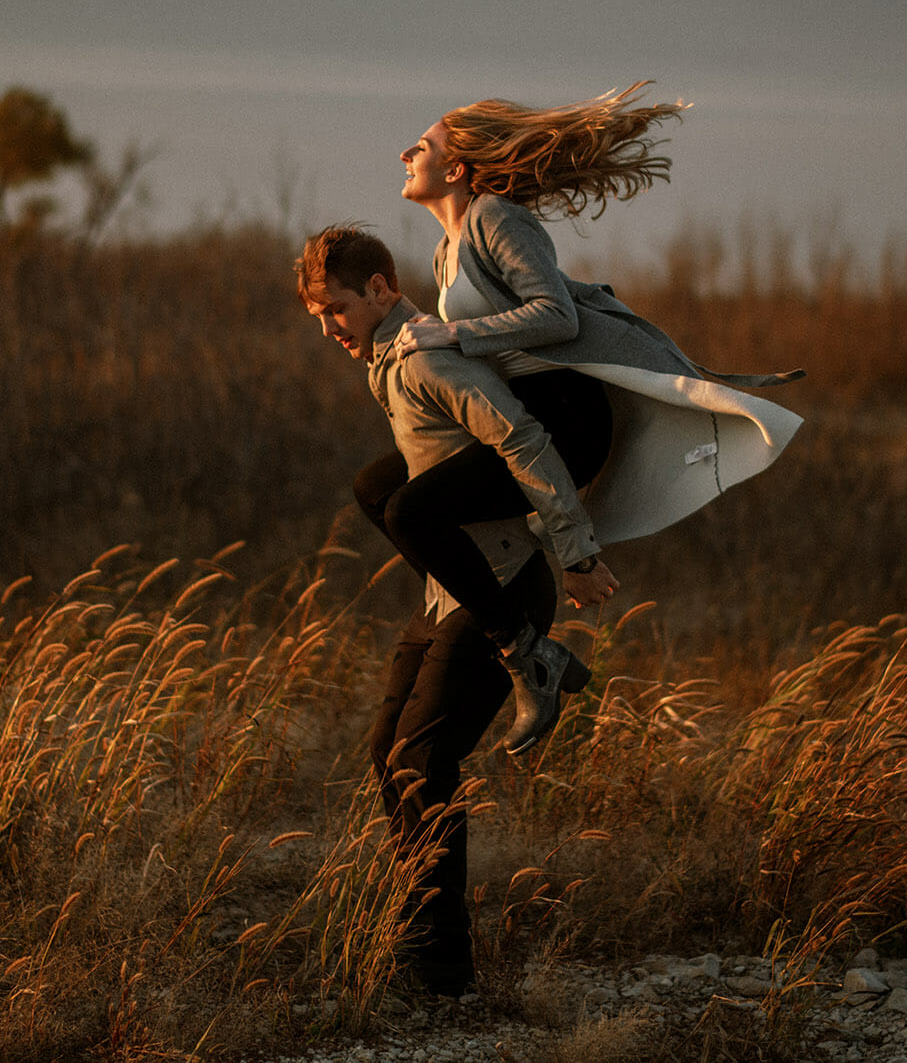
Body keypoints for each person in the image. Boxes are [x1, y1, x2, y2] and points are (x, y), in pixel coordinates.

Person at [296, 224, 614, 995]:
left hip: (503, 583)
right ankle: (417, 936)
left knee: (423, 759)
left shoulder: (427, 355)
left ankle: (436, 965)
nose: (330, 329)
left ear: (379, 289)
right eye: (319, 318)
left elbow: (525, 440)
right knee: (389, 752)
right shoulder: (386, 361)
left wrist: (575, 553)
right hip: (452, 589)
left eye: (336, 309)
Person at [388, 80, 803, 558]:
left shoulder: (496, 218)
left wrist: (450, 333)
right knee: (385, 493)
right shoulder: (446, 251)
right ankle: (483, 609)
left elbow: (556, 316)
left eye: (420, 148)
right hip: (520, 413)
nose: (404, 154)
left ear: (455, 168)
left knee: (413, 510)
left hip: (566, 417)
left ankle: (511, 622)